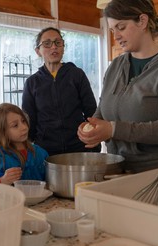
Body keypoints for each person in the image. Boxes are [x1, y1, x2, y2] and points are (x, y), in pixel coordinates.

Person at [78, 0, 158, 173]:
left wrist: (113, 129)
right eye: (112, 30)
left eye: (121, 27)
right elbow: (102, 110)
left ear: (142, 21)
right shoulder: (115, 66)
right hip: (120, 166)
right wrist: (93, 128)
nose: (116, 36)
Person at [22, 27, 100, 156]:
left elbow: (91, 111)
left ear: (63, 47)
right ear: (38, 51)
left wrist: (94, 140)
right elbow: (29, 120)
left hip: (79, 147)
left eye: (58, 42)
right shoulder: (32, 83)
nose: (54, 47)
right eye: (47, 43)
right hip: (46, 151)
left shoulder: (76, 75)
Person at [0, 103, 48, 185]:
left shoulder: (40, 153)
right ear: (1, 132)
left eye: (23, 121)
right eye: (15, 125)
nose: (24, 127)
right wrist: (2, 180)